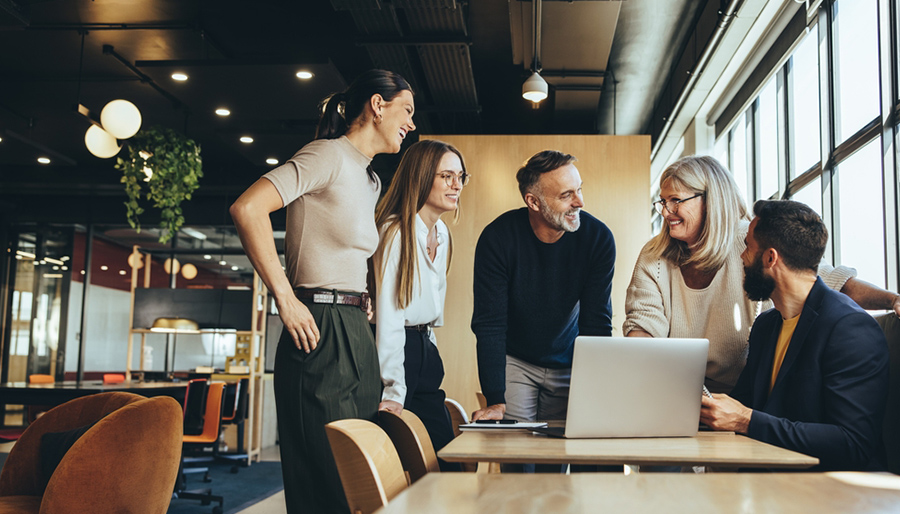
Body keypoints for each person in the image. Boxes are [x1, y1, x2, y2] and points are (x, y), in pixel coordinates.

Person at [229, 70, 415, 514]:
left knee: (360, 475)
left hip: (354, 327)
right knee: (326, 480)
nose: (411, 123)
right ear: (378, 104)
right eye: (406, 110)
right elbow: (247, 208)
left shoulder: (370, 179)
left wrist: (359, 294)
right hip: (316, 327)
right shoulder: (326, 156)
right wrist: (285, 298)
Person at [624, 155, 900, 393]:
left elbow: (826, 283)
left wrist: (892, 300)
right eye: (662, 202)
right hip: (678, 391)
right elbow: (643, 329)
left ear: (711, 201)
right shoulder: (655, 256)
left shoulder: (751, 241)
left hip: (747, 395)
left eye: (675, 201)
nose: (666, 212)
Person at [700, 199, 889, 471]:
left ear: (770, 258)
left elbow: (853, 443)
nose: (741, 257)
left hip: (836, 495)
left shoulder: (851, 329)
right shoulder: (767, 326)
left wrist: (746, 420)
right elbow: (742, 405)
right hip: (771, 484)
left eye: (748, 248)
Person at [470, 150, 616, 436]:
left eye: (580, 189)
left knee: (557, 455)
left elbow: (596, 321)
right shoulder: (497, 239)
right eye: (566, 195)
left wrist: (597, 389)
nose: (580, 202)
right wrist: (495, 399)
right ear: (533, 201)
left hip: (571, 359)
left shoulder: (598, 239)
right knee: (517, 452)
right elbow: (490, 324)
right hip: (517, 361)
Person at [372, 139, 468, 470]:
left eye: (460, 176)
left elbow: (432, 310)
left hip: (425, 348)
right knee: (398, 463)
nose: (457, 185)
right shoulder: (395, 231)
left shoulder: (441, 233)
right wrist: (394, 389)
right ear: (422, 176)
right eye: (446, 176)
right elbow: (389, 316)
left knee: (444, 459)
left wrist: (432, 351)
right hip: (398, 353)